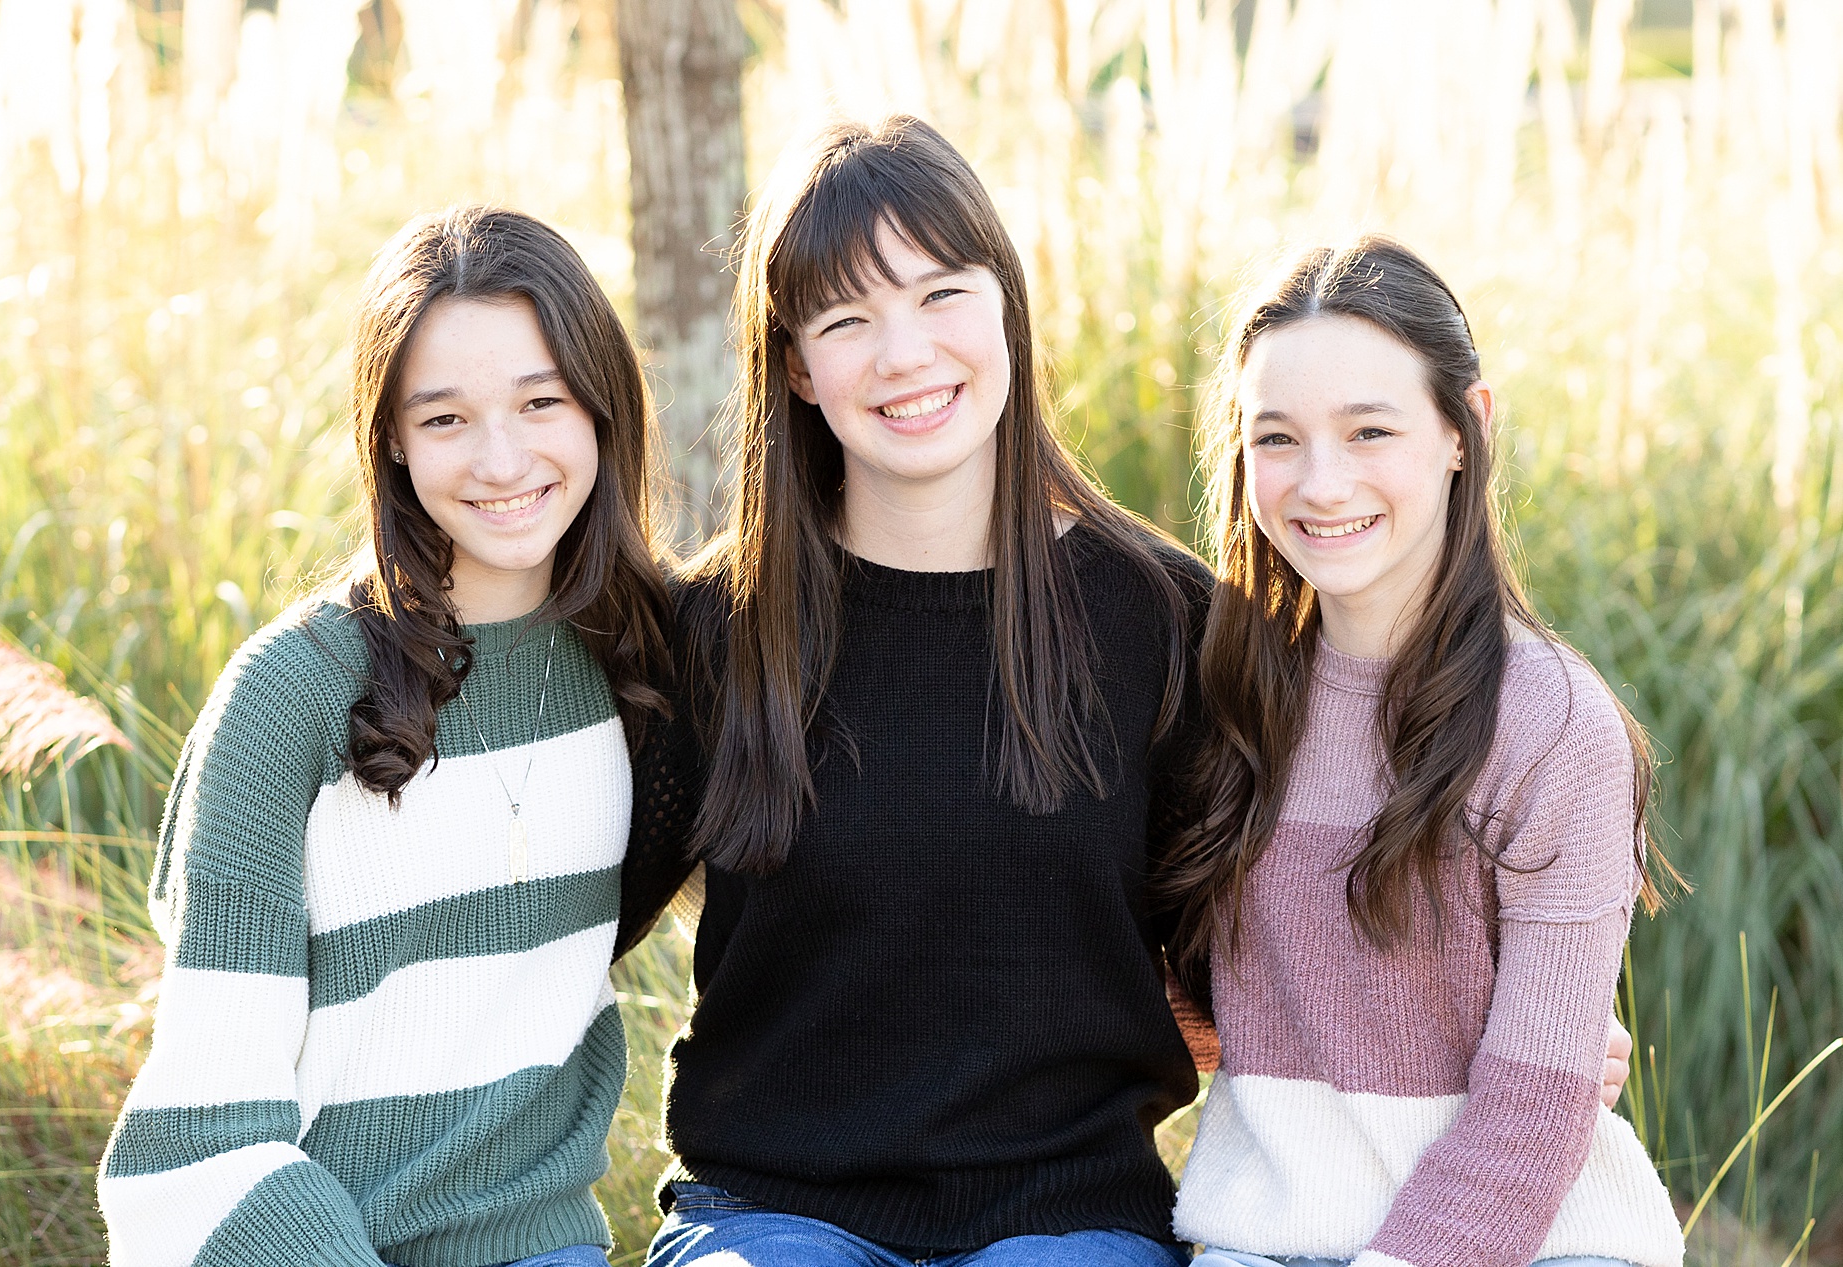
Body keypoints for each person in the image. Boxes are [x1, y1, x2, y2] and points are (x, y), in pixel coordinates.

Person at [615, 114, 1212, 1266]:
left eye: (942, 294)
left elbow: (1289, 915)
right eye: (847, 319)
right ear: (794, 364)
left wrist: (1503, 1017)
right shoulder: (715, 632)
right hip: (773, 1212)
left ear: (1006, 305)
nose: (904, 355)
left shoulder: (1163, 620)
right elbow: (551, 920)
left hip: (1069, 1219)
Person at [97, 206, 673, 1267]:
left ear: (602, 409)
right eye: (445, 418)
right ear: (393, 442)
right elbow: (197, 1145)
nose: (501, 459)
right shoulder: (290, 698)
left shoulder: (651, 665)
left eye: (539, 400)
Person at [1159, 237, 1685, 1267]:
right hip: (1262, 1239)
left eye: (1368, 430)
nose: (1320, 482)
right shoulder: (1222, 697)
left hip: (1536, 1241)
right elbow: (1208, 1010)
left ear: (1463, 428)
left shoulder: (1549, 722)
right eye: (1276, 437)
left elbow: (1530, 1113)